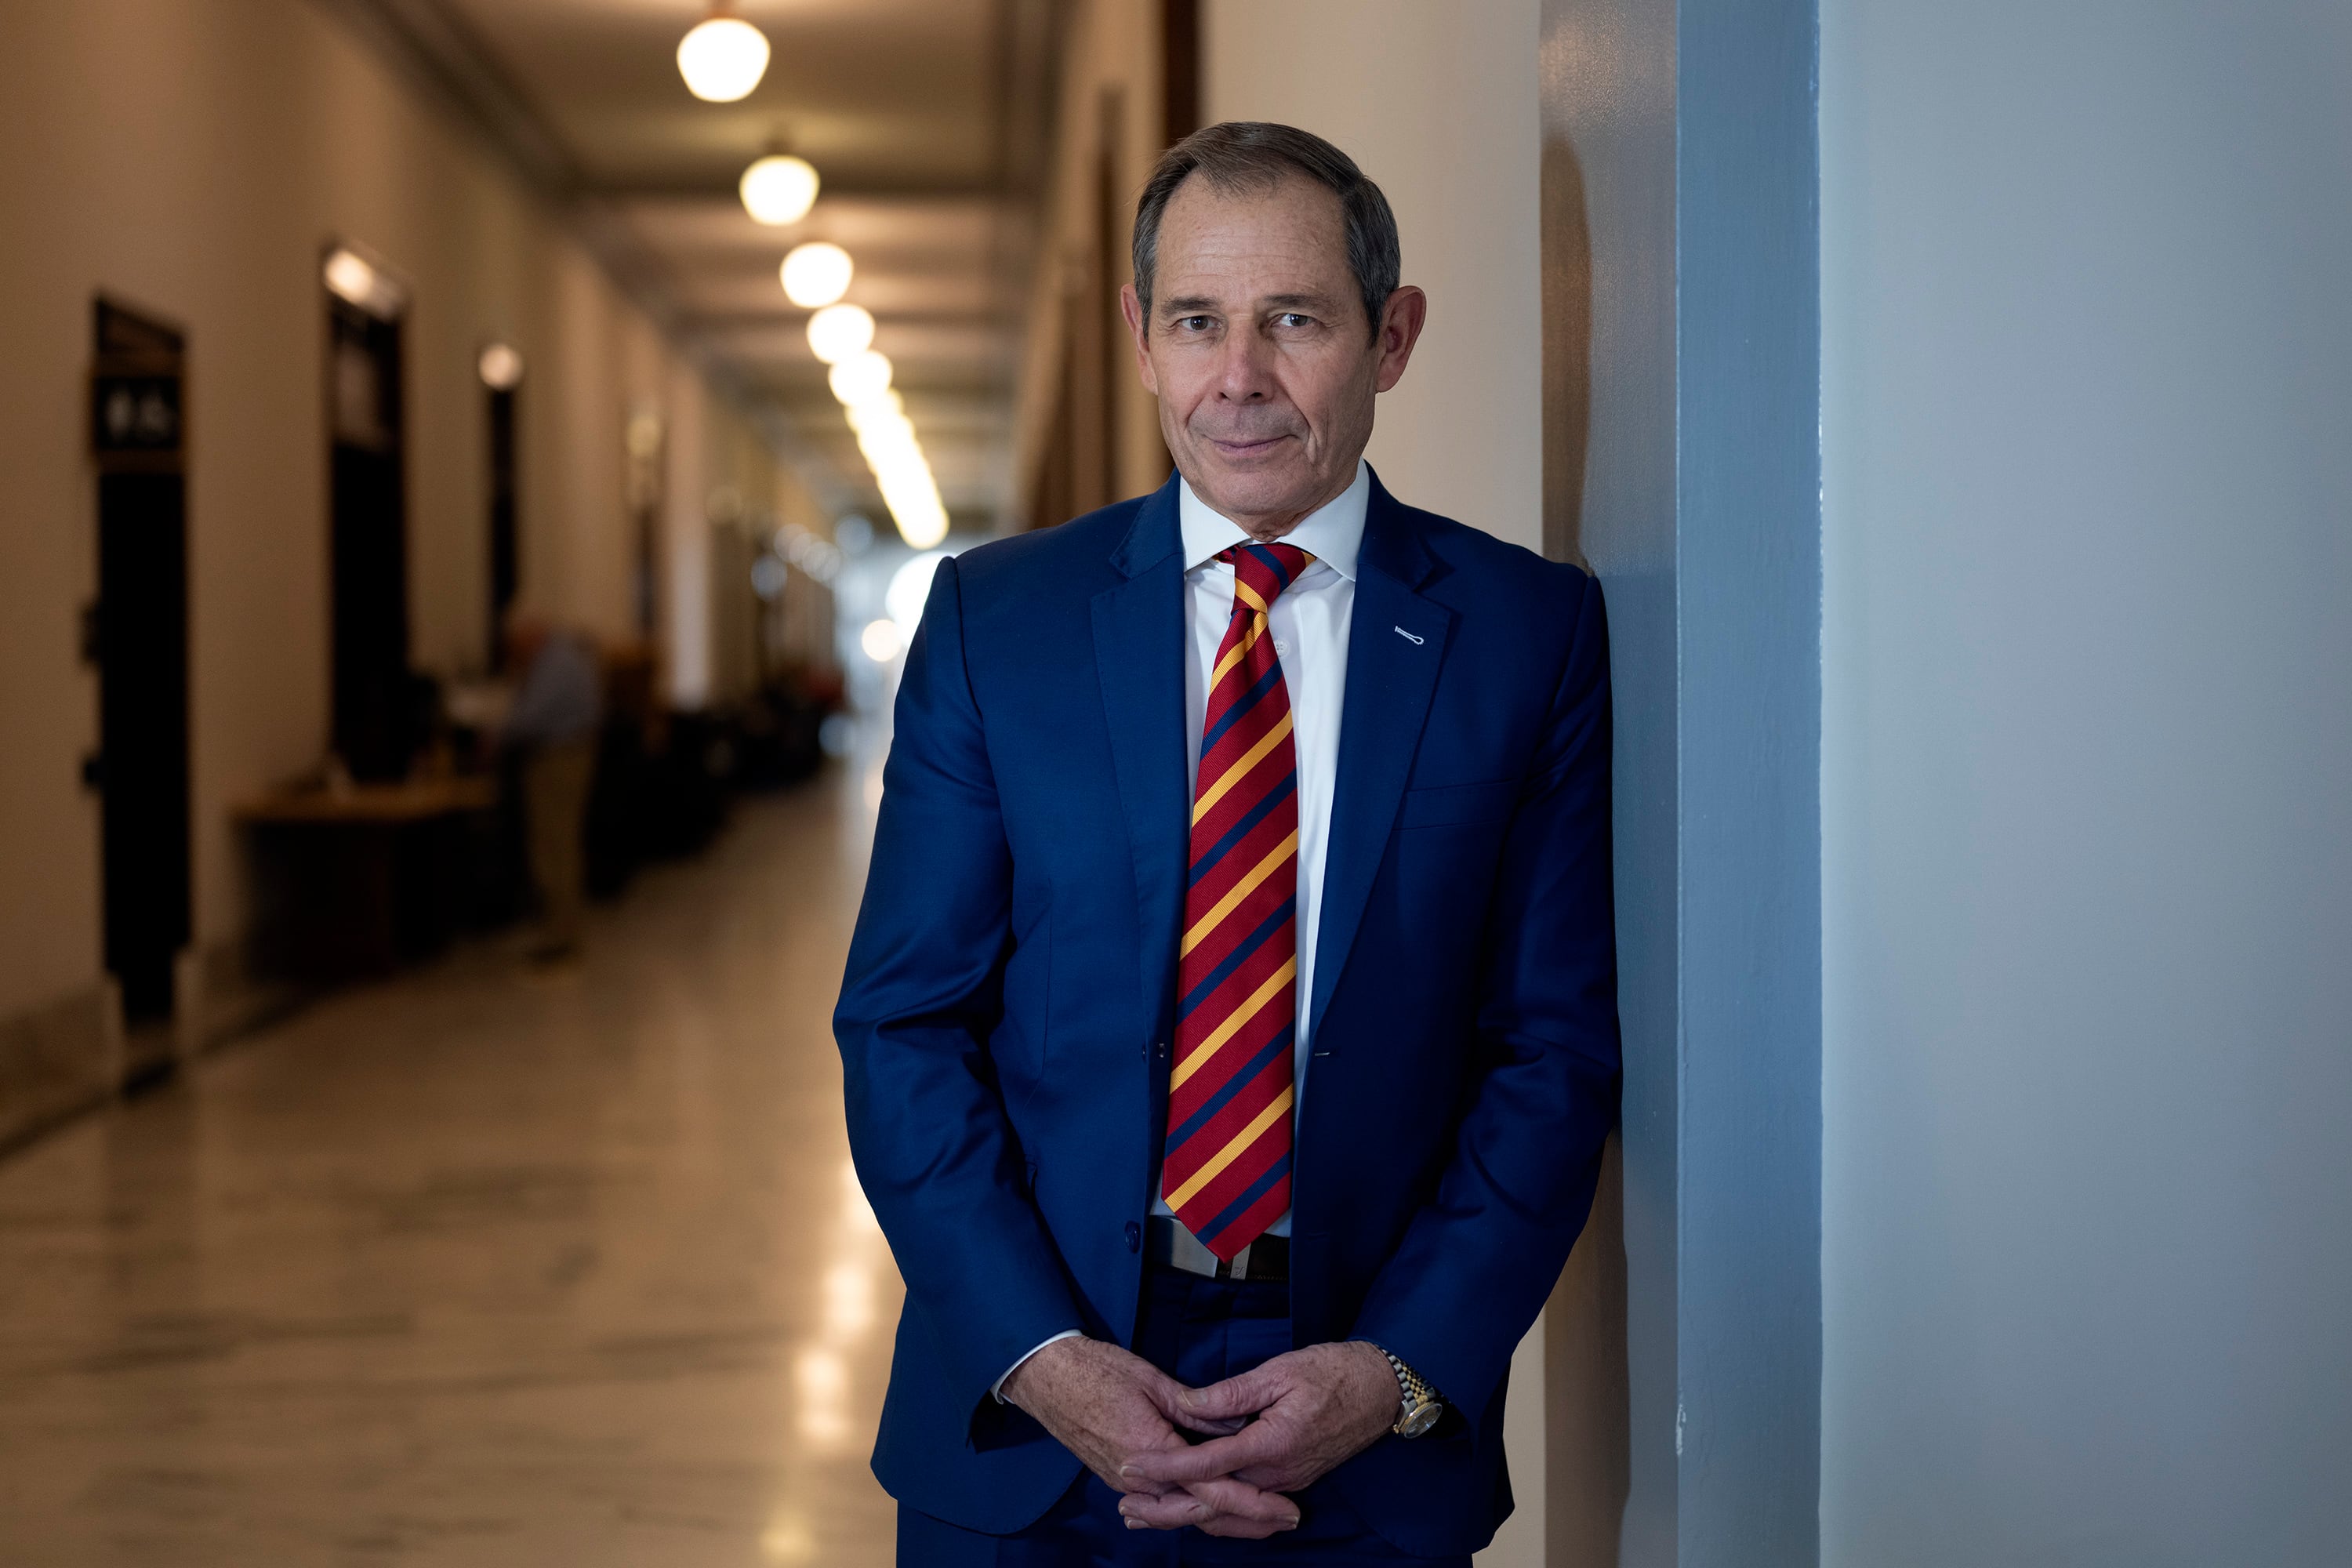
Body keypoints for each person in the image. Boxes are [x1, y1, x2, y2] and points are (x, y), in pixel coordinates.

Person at [836, 122, 1619, 1563]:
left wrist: (1391, 1370)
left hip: (1359, 1416)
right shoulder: (994, 626)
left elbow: (1552, 1053)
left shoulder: (1529, 637)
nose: (1238, 376)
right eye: (1197, 321)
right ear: (1141, 336)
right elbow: (902, 1025)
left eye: (1296, 321)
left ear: (1392, 338)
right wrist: (1043, 1356)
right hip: (1027, 1411)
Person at [500, 608, 602, 963]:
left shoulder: (554, 663)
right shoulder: (564, 656)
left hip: (559, 757)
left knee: (554, 847)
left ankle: (561, 935)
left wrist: (497, 734)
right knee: (559, 845)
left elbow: (530, 717)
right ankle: (561, 929)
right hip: (566, 754)